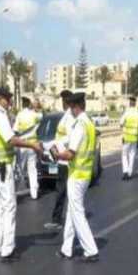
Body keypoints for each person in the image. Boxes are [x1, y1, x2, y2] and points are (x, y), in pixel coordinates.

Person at [0, 87, 43, 263]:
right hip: (3, 167)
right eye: (7, 99)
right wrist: (32, 146)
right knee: (9, 206)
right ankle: (8, 250)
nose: (10, 102)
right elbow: (11, 139)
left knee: (1, 207)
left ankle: (1, 244)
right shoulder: (0, 116)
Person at [51, 92, 99, 263]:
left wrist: (57, 155)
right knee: (72, 212)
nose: (70, 110)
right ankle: (67, 248)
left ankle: (91, 250)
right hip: (84, 174)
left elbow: (71, 154)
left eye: (71, 106)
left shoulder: (80, 125)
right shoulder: (89, 123)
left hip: (77, 175)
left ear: (76, 106)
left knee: (77, 213)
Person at [44, 90, 75, 231]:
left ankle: (57, 220)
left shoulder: (70, 119)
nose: (62, 103)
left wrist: (55, 149)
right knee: (63, 190)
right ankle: (67, 218)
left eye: (63, 100)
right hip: (61, 158)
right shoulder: (66, 117)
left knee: (62, 190)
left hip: (65, 160)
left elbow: (69, 139)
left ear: (66, 102)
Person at [13, 97, 42, 199]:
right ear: (29, 104)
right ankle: (34, 193)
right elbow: (42, 115)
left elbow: (15, 130)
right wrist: (37, 106)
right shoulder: (35, 115)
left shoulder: (19, 115)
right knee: (32, 168)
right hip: (33, 145)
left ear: (22, 104)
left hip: (23, 145)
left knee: (21, 168)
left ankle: (15, 191)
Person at [120, 96, 138, 180]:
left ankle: (125, 172)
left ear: (130, 103)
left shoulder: (127, 112)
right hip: (135, 137)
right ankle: (129, 173)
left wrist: (124, 126)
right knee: (132, 155)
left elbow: (121, 123)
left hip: (127, 137)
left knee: (124, 155)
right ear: (135, 103)